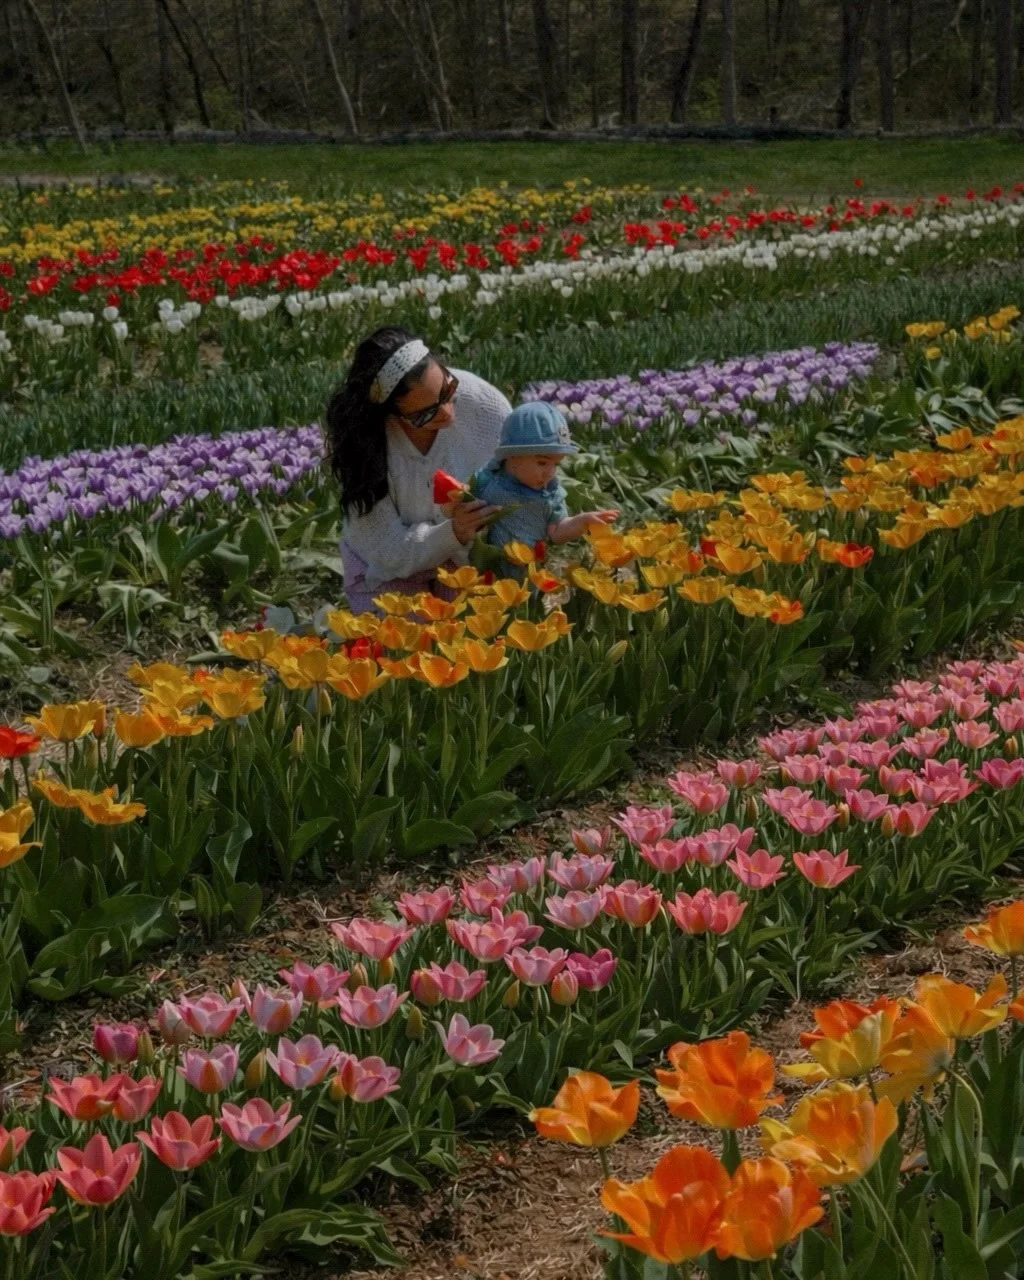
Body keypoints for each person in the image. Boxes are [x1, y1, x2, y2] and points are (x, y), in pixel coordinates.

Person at [325, 326, 510, 614]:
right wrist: (453, 531)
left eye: (447, 390)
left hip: (466, 559)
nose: (448, 413)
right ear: (390, 415)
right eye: (425, 413)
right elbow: (388, 550)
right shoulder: (365, 449)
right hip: (388, 566)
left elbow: (520, 476)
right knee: (409, 645)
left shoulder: (483, 405)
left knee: (475, 633)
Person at [470, 401, 618, 577]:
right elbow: (460, 507)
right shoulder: (487, 482)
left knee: (527, 603)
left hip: (531, 572)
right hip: (489, 570)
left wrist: (580, 522)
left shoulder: (551, 495)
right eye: (542, 462)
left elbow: (556, 533)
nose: (550, 472)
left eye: (556, 464)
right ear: (512, 456)